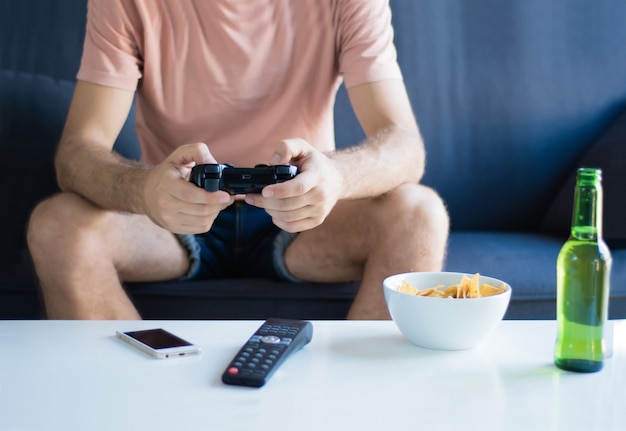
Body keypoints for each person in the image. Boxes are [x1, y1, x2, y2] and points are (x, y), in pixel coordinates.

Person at [26, 0, 449, 320]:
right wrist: (143, 191)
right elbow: (76, 153)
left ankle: (361, 406)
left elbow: (404, 145)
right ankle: (130, 406)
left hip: (303, 220)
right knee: (57, 225)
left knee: (420, 213)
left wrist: (336, 177)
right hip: (172, 221)